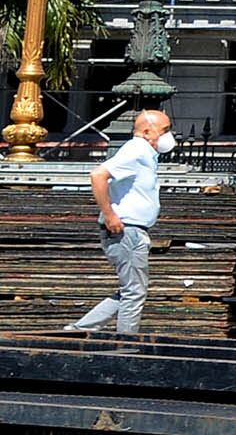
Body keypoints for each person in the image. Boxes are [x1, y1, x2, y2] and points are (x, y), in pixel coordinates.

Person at [65, 93, 173, 336]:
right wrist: (110, 214)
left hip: (133, 231)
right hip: (127, 230)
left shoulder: (145, 154)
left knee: (131, 289)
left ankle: (79, 328)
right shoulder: (136, 150)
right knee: (134, 291)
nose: (169, 136)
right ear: (147, 132)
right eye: (165, 130)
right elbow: (98, 175)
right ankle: (125, 343)